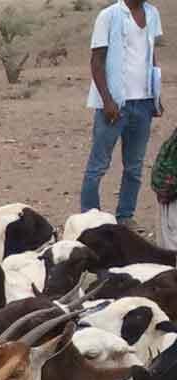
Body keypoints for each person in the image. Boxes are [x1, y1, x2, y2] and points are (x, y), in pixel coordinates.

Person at [84, 0, 164, 225]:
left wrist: (155, 94)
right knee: (98, 166)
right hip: (115, 103)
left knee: (134, 167)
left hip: (143, 102)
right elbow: (96, 61)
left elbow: (150, 54)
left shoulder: (152, 13)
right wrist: (107, 100)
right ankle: (90, 220)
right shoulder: (109, 16)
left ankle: (125, 217)